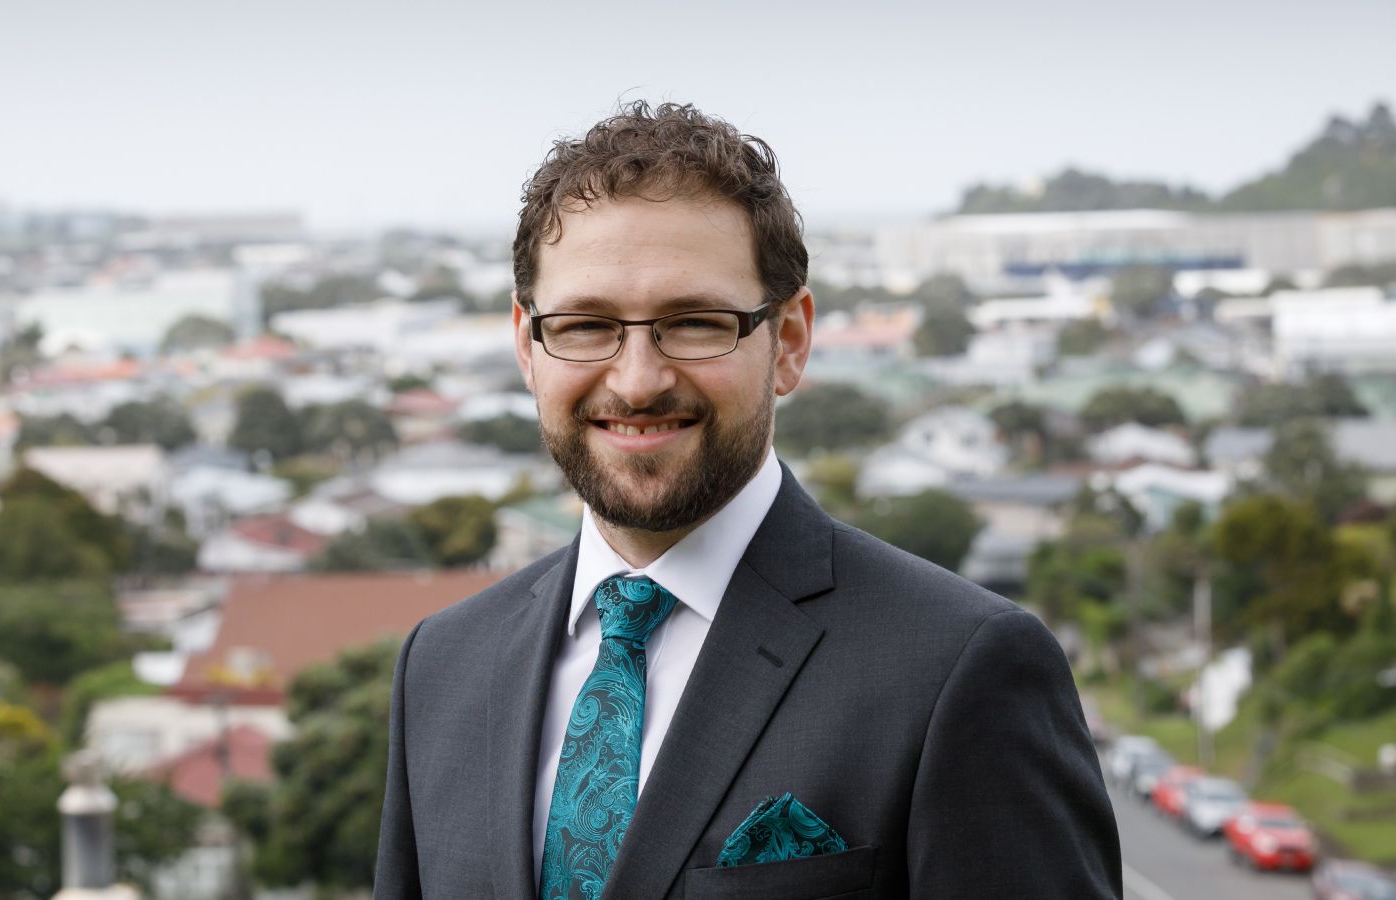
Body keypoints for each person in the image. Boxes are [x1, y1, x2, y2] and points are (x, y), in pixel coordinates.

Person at [374, 101, 1122, 899]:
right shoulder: (443, 667)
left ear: (790, 341)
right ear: (527, 344)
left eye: (695, 323)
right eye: (586, 325)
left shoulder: (959, 669)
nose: (636, 379)